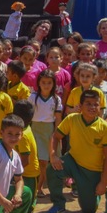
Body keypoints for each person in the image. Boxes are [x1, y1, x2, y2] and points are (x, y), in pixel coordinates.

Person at [46, 90, 107, 213]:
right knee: (52, 169)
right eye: (88, 104)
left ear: (100, 107)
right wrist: (53, 155)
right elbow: (55, 136)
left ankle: (93, 195)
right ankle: (58, 204)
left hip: (92, 171)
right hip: (72, 161)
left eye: (96, 104)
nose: (92, 107)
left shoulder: (105, 128)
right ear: (80, 106)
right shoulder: (72, 119)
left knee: (89, 210)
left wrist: (103, 182)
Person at [28, 70, 62, 198]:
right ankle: (37, 186)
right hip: (35, 129)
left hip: (49, 131)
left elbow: (58, 118)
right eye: (43, 82)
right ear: (39, 83)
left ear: (53, 84)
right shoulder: (32, 97)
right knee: (38, 160)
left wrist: (57, 134)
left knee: (45, 161)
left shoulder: (56, 99)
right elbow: (28, 114)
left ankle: (40, 186)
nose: (46, 85)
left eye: (49, 83)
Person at [13, 100, 40, 213]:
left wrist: (12, 173)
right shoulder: (25, 127)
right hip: (22, 172)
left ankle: (33, 200)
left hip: (29, 174)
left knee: (27, 209)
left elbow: (25, 161)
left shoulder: (22, 136)